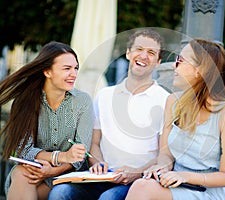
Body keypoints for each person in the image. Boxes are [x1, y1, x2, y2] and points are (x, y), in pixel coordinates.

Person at [48, 28, 170, 200]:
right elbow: (95, 142)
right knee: (60, 193)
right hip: (102, 176)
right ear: (128, 53)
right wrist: (97, 163)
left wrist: (136, 172)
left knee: (109, 198)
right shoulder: (104, 95)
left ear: (158, 62)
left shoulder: (165, 100)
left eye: (151, 53)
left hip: (138, 182)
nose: (143, 56)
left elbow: (164, 154)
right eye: (139, 49)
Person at [125, 39, 225, 200]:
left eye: (180, 61)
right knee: (142, 186)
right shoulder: (173, 102)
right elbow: (166, 154)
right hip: (176, 183)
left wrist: (186, 177)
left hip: (208, 191)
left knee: (142, 189)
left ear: (200, 70)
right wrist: (162, 167)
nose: (174, 66)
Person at [0, 41, 94, 200]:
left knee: (22, 180)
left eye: (75, 68)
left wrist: (54, 169)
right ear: (47, 71)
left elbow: (79, 157)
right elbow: (24, 150)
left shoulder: (82, 102)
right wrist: (60, 157)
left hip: (68, 176)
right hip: (35, 170)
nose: (74, 74)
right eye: (67, 68)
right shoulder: (25, 102)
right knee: (20, 172)